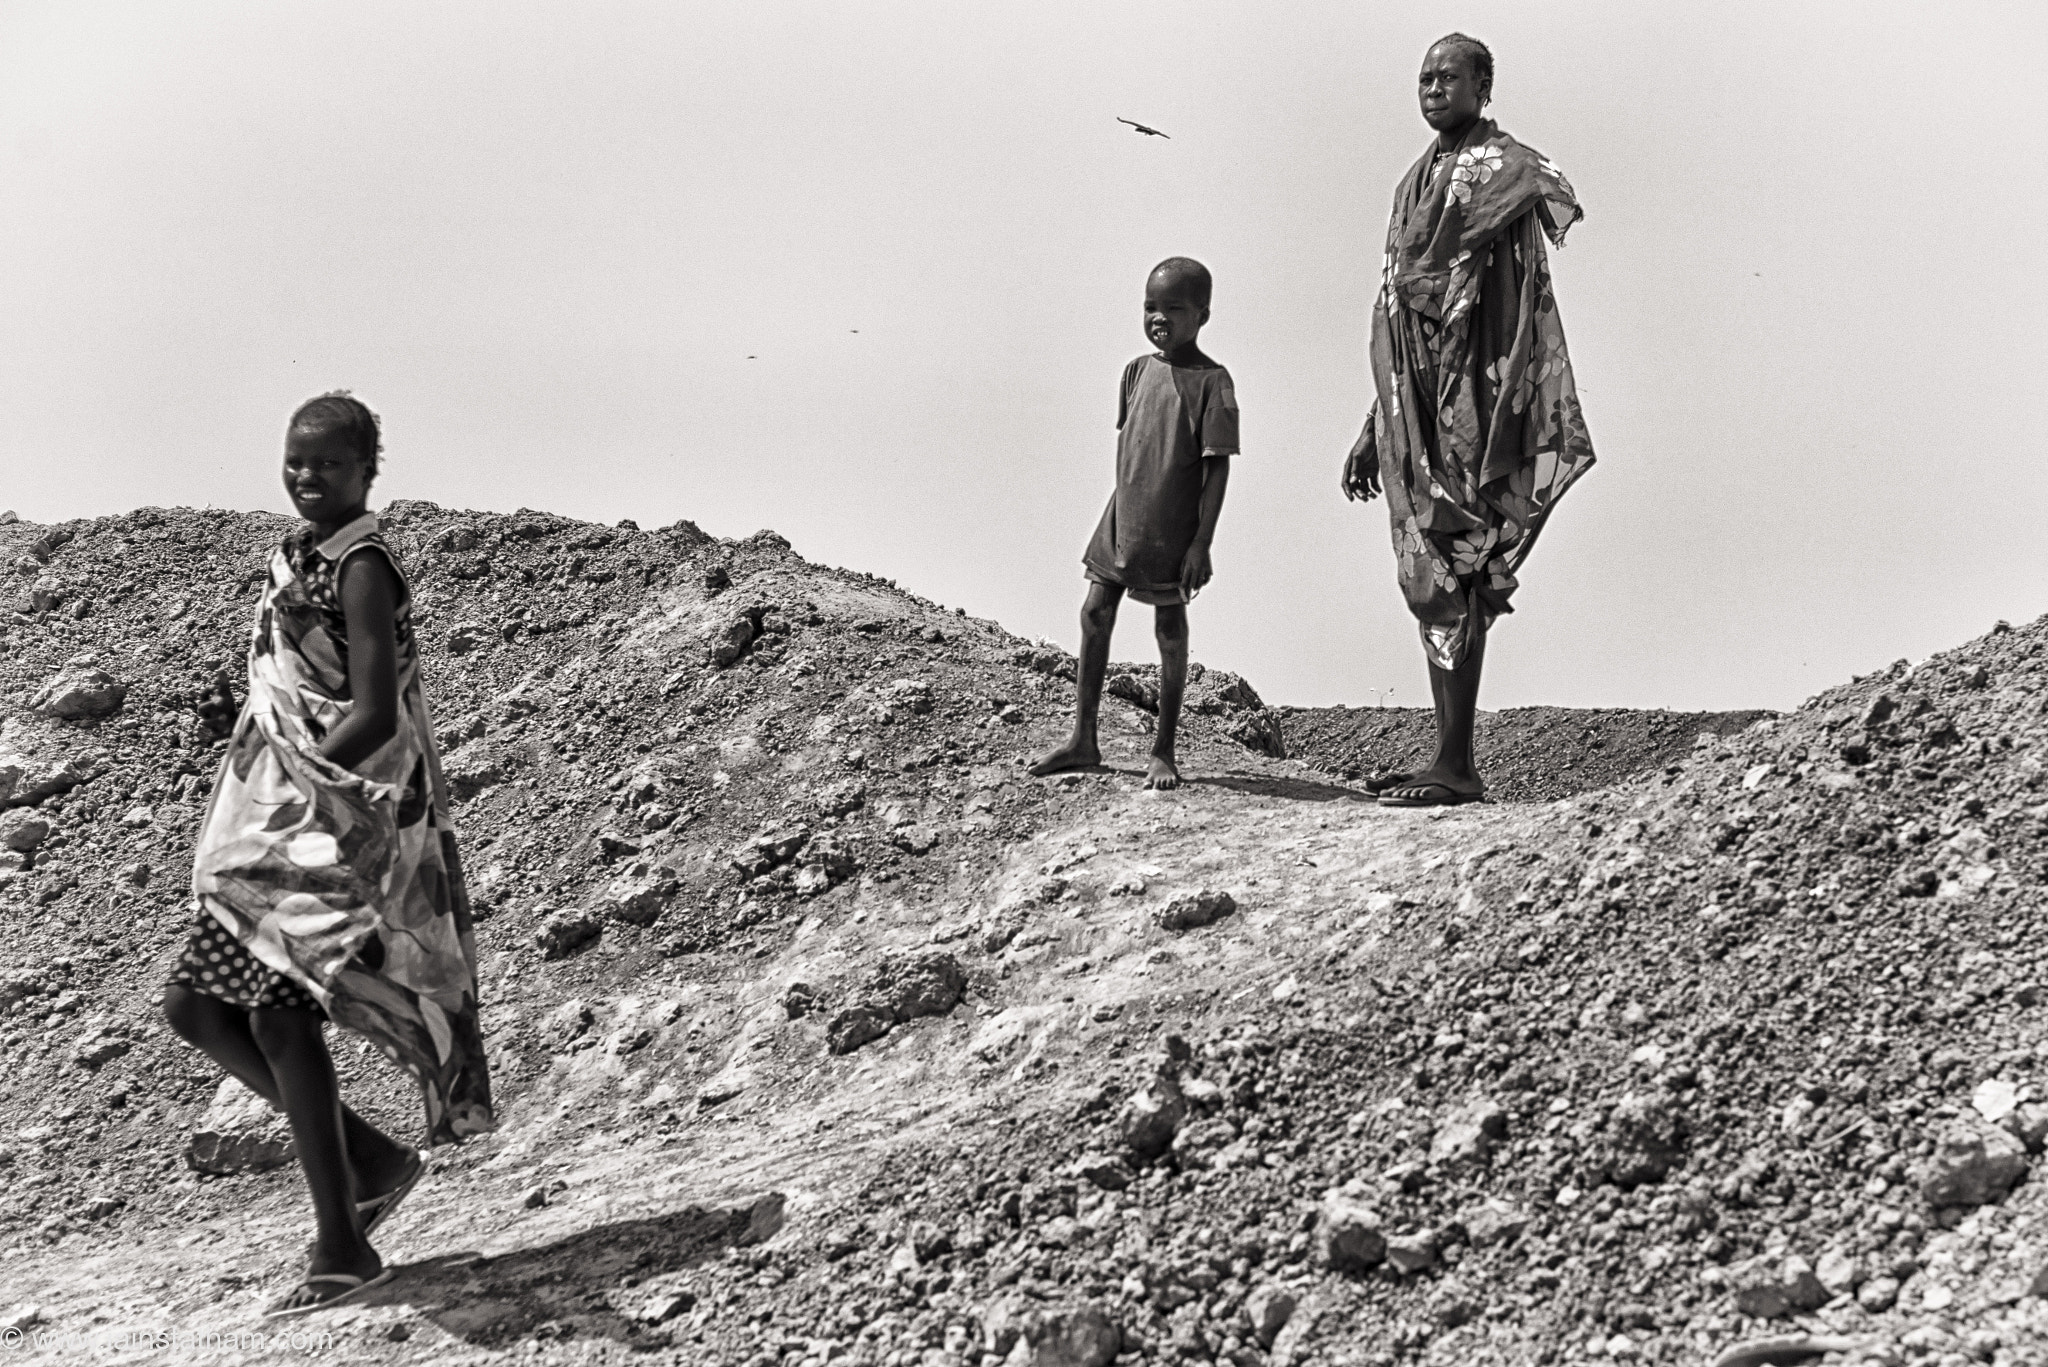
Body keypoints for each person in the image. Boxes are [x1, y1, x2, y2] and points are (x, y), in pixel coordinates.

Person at [161, 393, 493, 1317]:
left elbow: (378, 710)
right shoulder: (297, 557)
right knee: (194, 1003)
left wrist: (295, 796)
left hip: (341, 816)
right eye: (295, 462)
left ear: (366, 473)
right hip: (289, 809)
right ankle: (373, 1162)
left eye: (329, 466)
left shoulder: (361, 566)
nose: (308, 478)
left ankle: (342, 1247)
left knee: (274, 1016)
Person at [1343, 33, 1596, 806]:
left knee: (1462, 563)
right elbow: (1402, 312)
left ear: (1484, 86)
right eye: (1423, 76)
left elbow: (1508, 294)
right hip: (1413, 404)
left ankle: (1456, 761)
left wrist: (1485, 393)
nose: (1432, 86)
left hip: (1476, 398)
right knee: (1431, 568)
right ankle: (1448, 754)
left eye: (1449, 75)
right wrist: (1375, 419)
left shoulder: (1504, 173)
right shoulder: (1410, 185)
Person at [1033, 257, 1239, 790]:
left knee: (1169, 629)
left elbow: (1216, 471)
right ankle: (1084, 738)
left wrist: (1202, 542)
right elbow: (1134, 446)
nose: (1160, 318)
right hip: (1122, 513)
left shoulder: (1213, 383)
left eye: (1174, 308)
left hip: (1171, 523)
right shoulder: (1134, 372)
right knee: (1095, 611)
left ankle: (1164, 749)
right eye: (1151, 307)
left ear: (1203, 315)